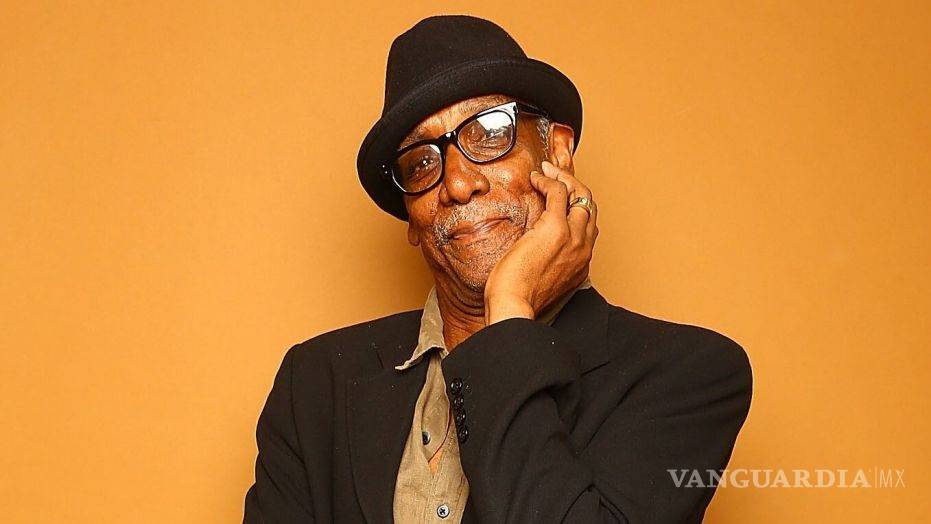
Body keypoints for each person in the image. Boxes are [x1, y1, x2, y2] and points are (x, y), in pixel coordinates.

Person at [243, 15, 752, 524]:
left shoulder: (690, 375)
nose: (458, 184)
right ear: (411, 218)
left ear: (558, 152)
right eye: (421, 162)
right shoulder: (315, 384)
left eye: (489, 133)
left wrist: (508, 308)